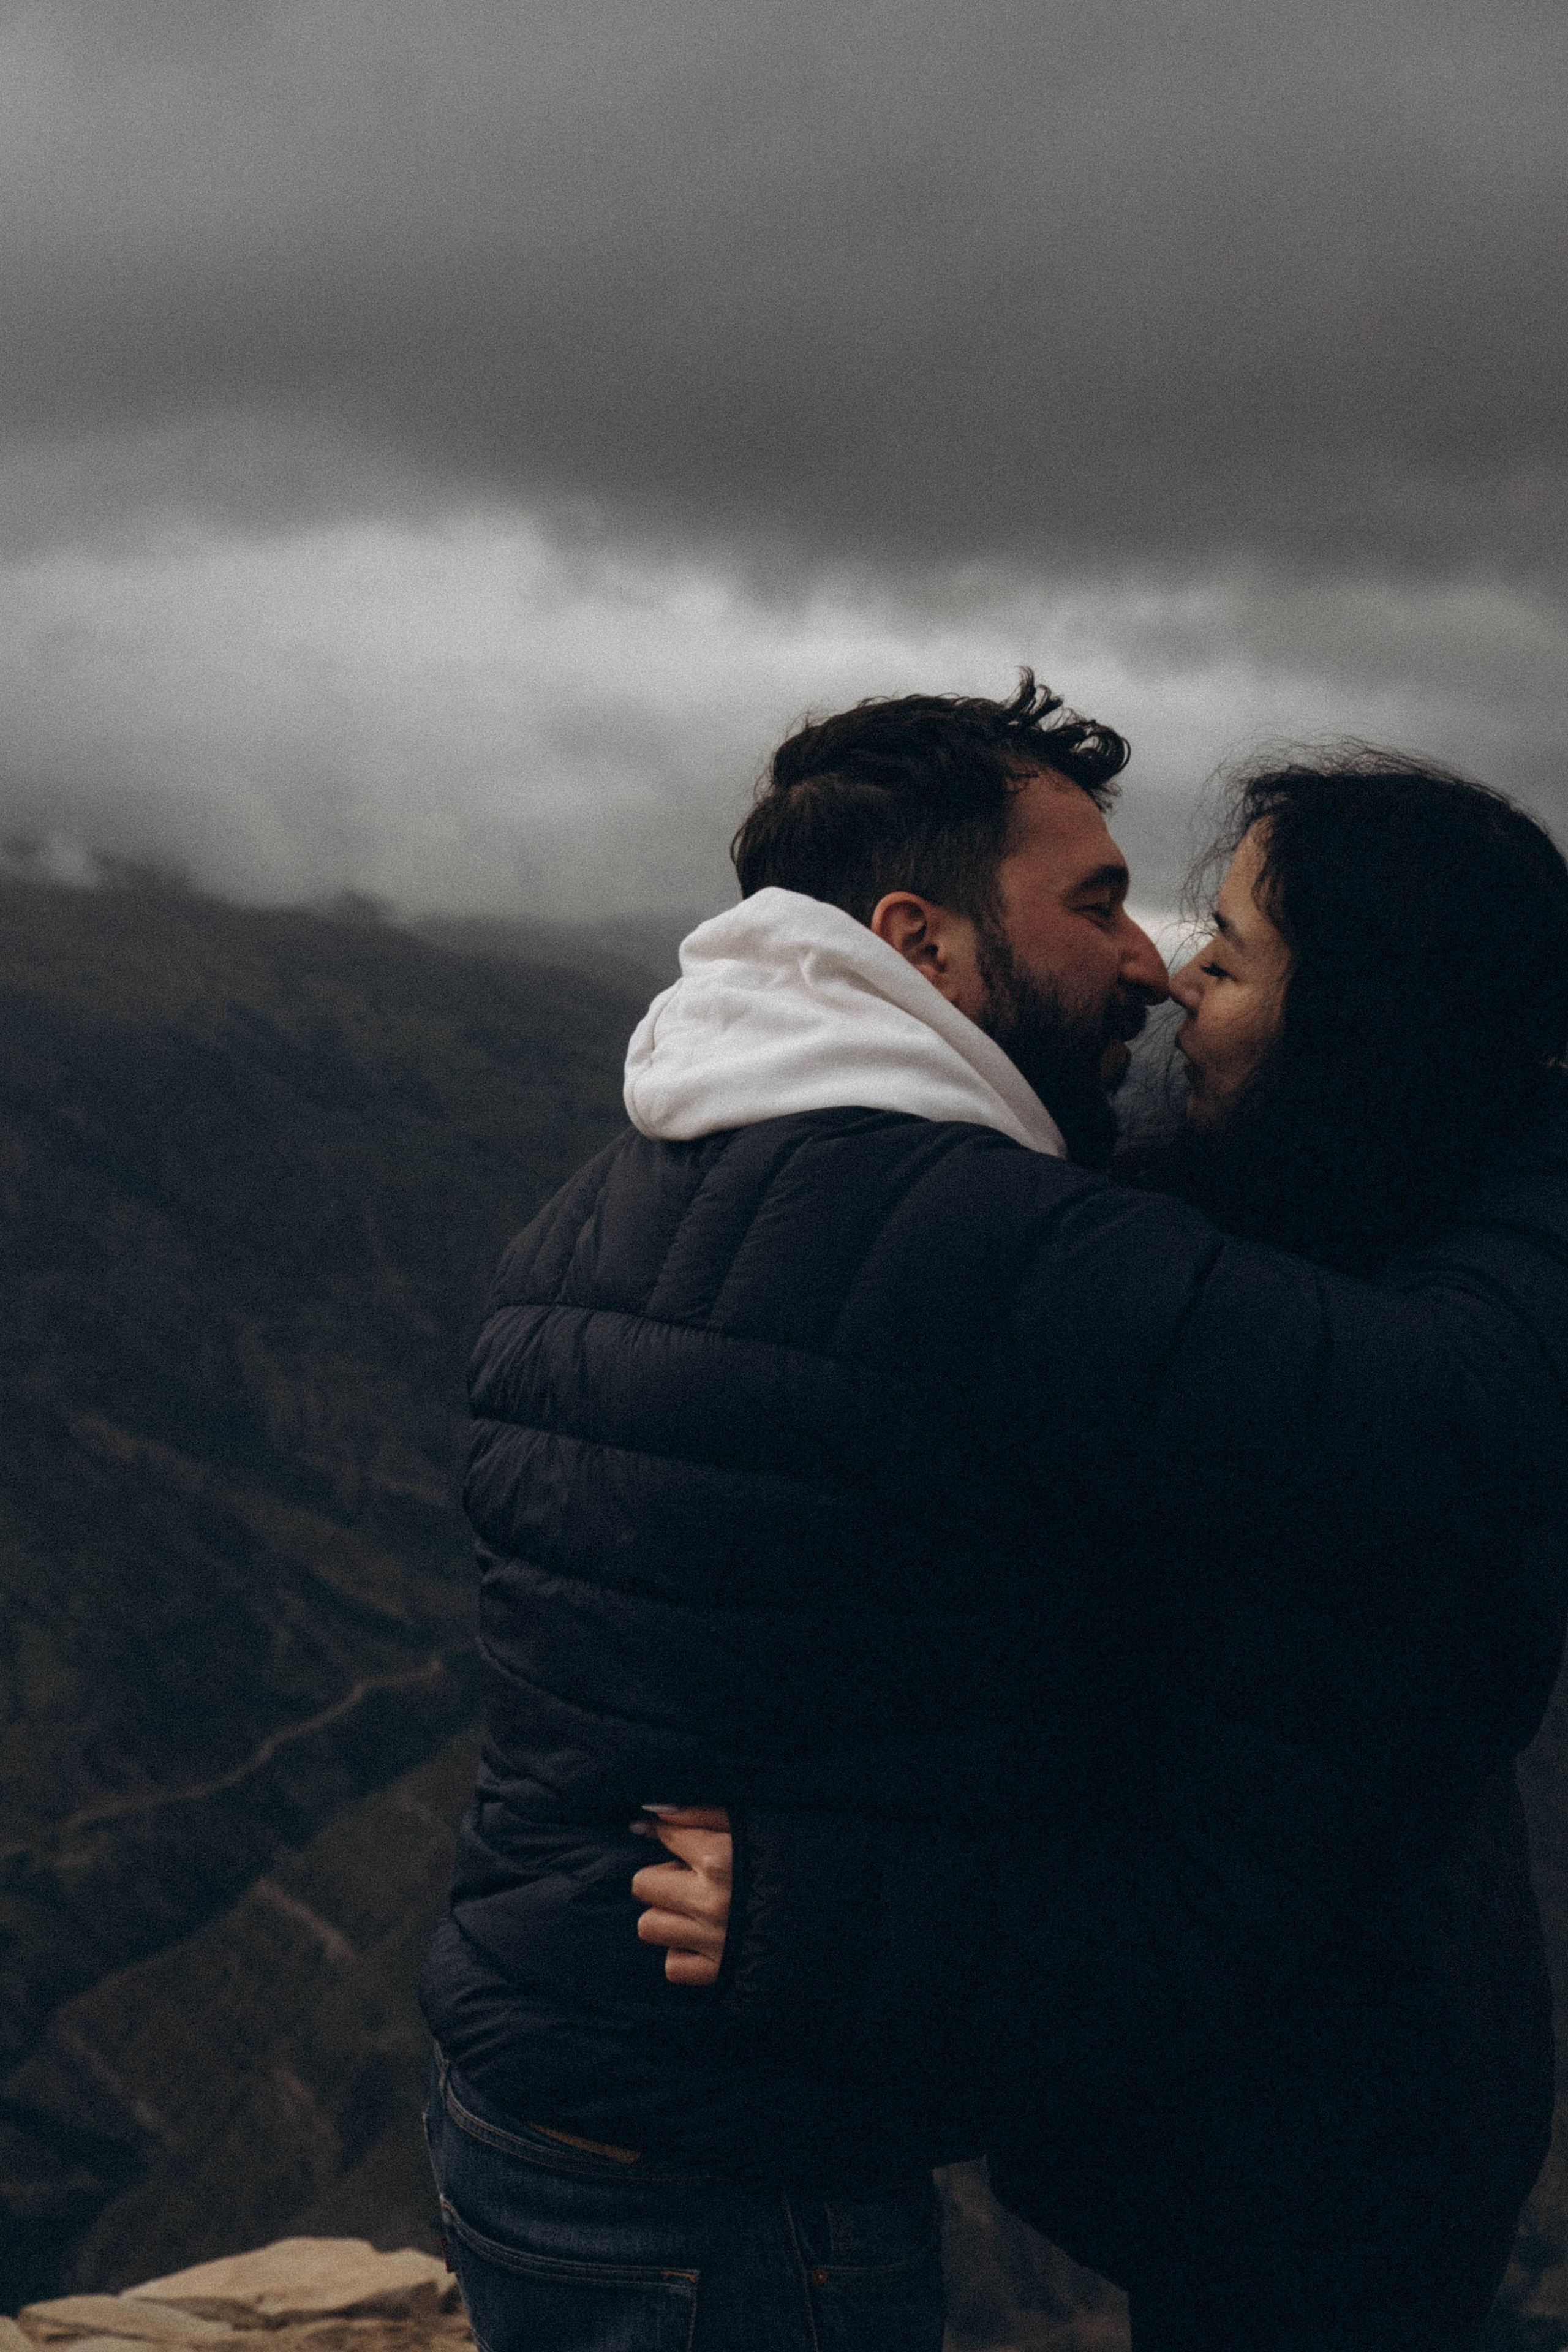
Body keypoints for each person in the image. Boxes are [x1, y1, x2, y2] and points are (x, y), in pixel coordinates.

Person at [419, 676, 1568, 2352]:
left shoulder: (636, 1173)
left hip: (541, 2084)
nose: (1153, 965)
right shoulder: (1003, 1241)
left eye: (1215, 946)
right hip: (723, 2159)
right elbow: (1452, 1399)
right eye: (1101, 904)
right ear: (925, 939)